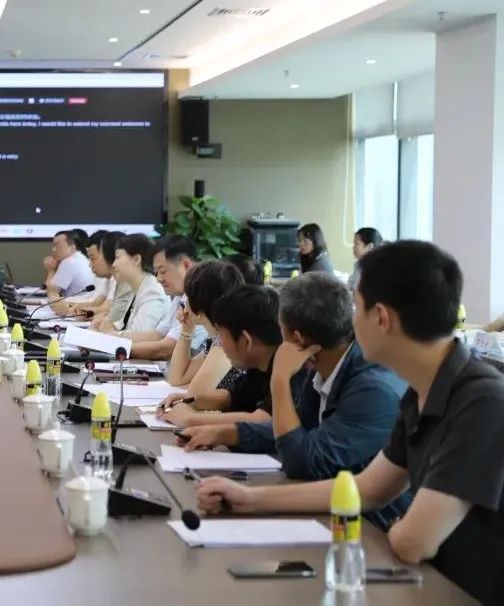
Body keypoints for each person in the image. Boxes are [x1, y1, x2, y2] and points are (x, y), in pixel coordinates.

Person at [197, 241, 504, 605]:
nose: (347, 320)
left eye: (355, 306)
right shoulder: (421, 392)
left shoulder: (482, 401)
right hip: (425, 582)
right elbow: (367, 489)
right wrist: (250, 499)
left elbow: (413, 542)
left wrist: (399, 529)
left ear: (381, 318)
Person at [178, 273, 410, 525]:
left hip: (373, 528)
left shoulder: (372, 390)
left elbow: (301, 462)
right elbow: (298, 431)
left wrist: (279, 380)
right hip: (332, 508)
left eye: (281, 329)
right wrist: (226, 433)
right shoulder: (323, 365)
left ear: (297, 339)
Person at [159, 285, 284, 427]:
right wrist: (189, 400)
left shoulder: (288, 369)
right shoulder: (260, 364)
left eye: (222, 336)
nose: (219, 345)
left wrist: (191, 418)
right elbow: (231, 396)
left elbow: (265, 419)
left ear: (246, 341)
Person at [107, 235, 206, 360]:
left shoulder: (201, 295)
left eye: (163, 271)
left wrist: (114, 348)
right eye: (157, 272)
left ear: (186, 264)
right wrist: (110, 339)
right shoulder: (181, 295)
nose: (158, 279)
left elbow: (166, 349)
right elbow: (158, 335)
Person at [164, 261, 244, 391]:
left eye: (188, 296)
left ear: (200, 301)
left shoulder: (228, 340)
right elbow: (177, 379)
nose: (185, 302)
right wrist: (186, 330)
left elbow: (196, 393)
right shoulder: (217, 337)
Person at [108, 234, 169, 339]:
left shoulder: (153, 291)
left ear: (136, 259)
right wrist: (107, 325)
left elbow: (138, 336)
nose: (114, 264)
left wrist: (109, 333)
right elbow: (123, 324)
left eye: (117, 257)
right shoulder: (138, 286)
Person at [43, 229, 95, 299]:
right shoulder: (81, 258)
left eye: (57, 245)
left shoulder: (69, 262)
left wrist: (50, 270)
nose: (53, 249)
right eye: (54, 245)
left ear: (72, 246)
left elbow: (51, 292)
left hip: (77, 304)